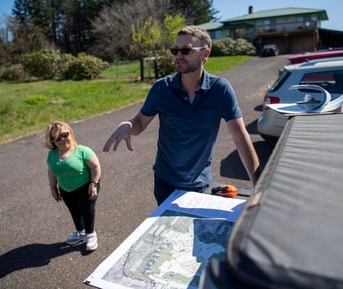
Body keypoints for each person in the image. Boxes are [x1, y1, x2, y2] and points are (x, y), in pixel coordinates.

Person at [103, 25, 260, 206]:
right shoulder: (161, 88)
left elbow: (240, 137)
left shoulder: (221, 90)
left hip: (200, 183)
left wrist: (258, 185)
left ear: (205, 54)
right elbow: (140, 122)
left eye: (186, 50)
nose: (178, 55)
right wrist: (129, 126)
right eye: (175, 50)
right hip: (165, 183)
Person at [45, 121, 101, 250]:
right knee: (74, 210)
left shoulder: (82, 151)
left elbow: (96, 167)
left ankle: (90, 234)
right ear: (53, 141)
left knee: (87, 209)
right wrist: (52, 187)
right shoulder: (52, 155)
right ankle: (80, 232)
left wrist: (94, 183)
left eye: (65, 135)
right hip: (65, 189)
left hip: (86, 186)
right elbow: (51, 171)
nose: (62, 139)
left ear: (71, 133)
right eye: (58, 138)